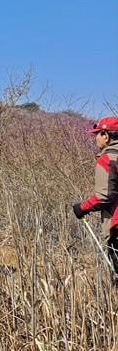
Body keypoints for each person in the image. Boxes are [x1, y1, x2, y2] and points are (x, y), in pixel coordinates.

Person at [72, 117, 118, 276]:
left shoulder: (107, 159)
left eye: (97, 134)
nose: (95, 138)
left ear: (106, 136)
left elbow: (105, 195)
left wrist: (81, 208)